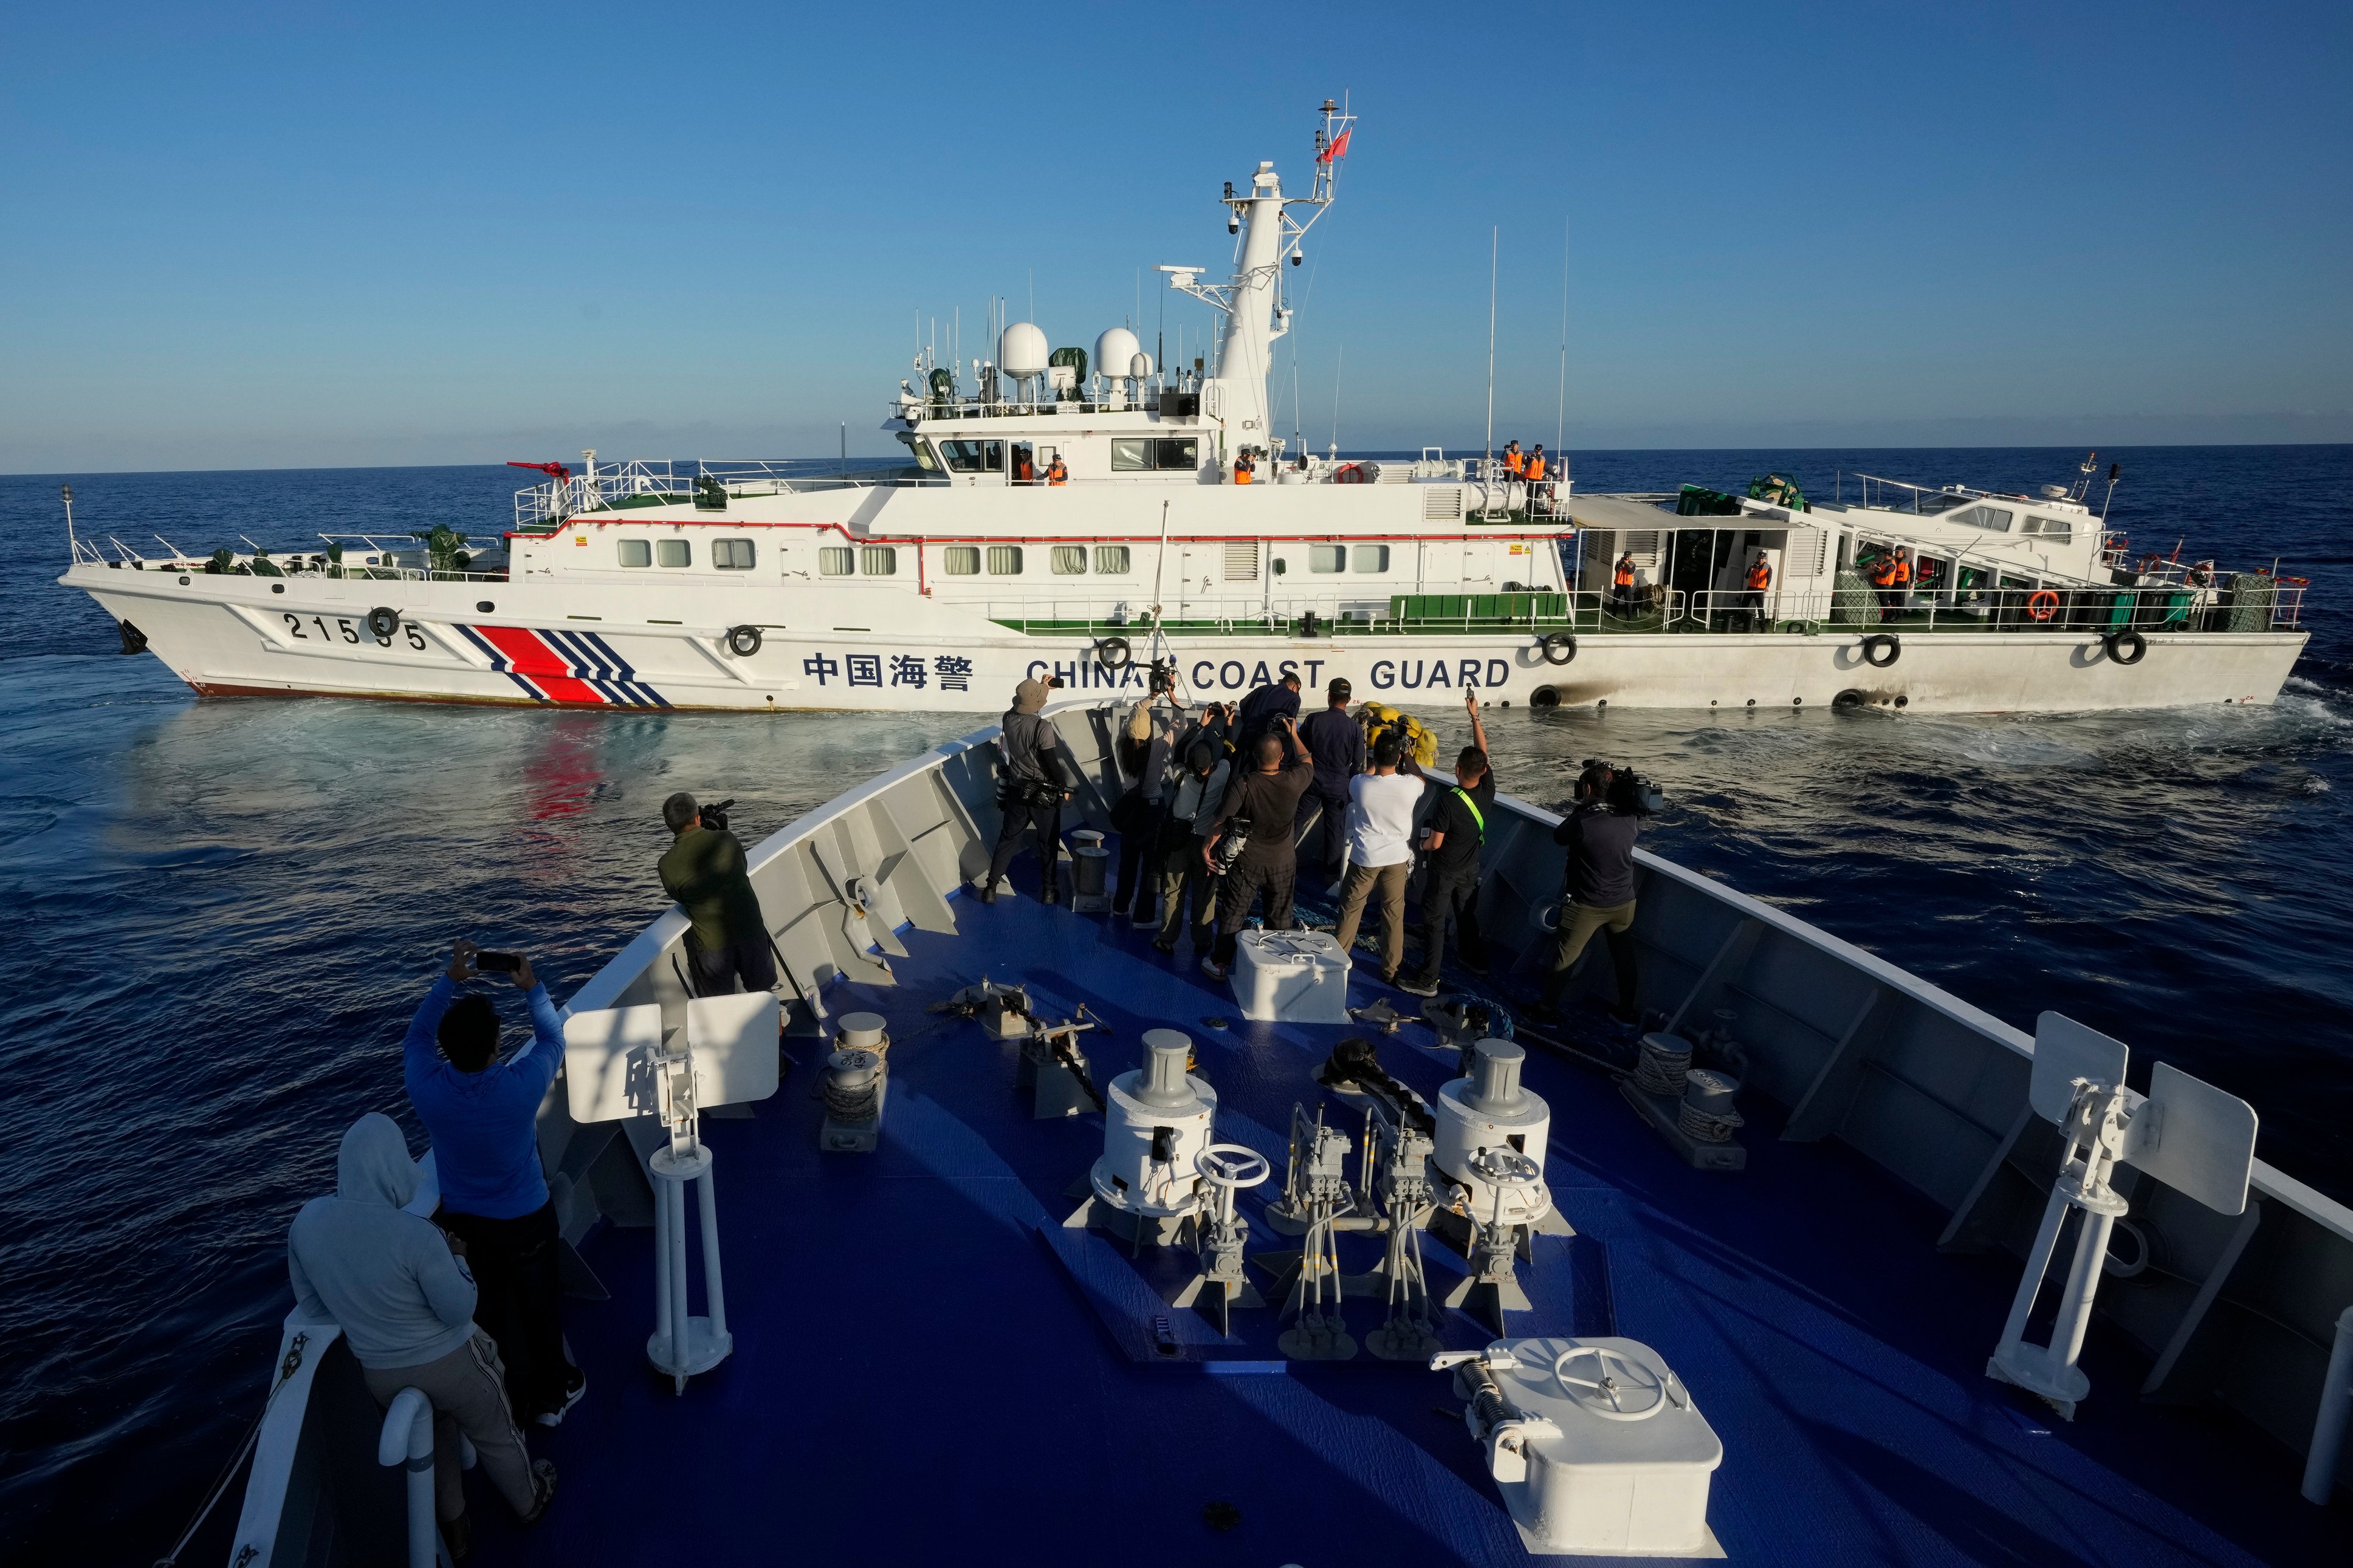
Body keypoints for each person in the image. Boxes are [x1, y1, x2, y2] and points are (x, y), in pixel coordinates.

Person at [290, 1113, 557, 1552]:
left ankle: (456, 1531)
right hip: (454, 1366)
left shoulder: (308, 1223)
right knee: (497, 1428)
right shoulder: (416, 1234)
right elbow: (459, 1308)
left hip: (382, 1376)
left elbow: (316, 1305)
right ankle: (529, 1500)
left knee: (434, 1436)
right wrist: (457, 1257)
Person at [405, 941, 586, 1429]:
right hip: (528, 1224)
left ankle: (510, 1401)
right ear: (494, 1046)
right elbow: (552, 1039)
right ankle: (552, 1399)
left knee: (491, 1319)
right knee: (541, 1308)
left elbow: (416, 1038)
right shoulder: (517, 1087)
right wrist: (532, 988)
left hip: (468, 1230)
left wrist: (449, 980)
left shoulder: (429, 1091)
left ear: (450, 1049)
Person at [1199, 717, 1314, 980]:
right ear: (1282, 756)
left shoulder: (1245, 784)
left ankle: (1220, 963)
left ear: (1254, 756)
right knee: (1280, 916)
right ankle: (1277, 966)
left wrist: (1207, 847)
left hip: (1247, 862)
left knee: (1234, 912)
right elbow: (1307, 760)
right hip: (1283, 862)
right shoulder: (1294, 779)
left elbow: (1220, 822)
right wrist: (1293, 733)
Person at [1530, 764, 1642, 1027]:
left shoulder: (1583, 823)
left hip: (1587, 905)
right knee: (1624, 958)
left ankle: (1547, 1010)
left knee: (1565, 957)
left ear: (1588, 789)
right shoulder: (1630, 817)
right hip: (1624, 902)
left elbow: (1560, 836)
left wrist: (1580, 808)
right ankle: (1626, 1012)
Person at [1399, 689, 1493, 998]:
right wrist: (1474, 716)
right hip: (1470, 868)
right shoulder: (1487, 789)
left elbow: (1435, 844)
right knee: (1466, 915)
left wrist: (1422, 847)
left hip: (1444, 872)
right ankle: (1474, 960)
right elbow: (1484, 752)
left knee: (1434, 922)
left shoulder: (1447, 802)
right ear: (1482, 771)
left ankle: (1428, 980)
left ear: (1456, 770)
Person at [1328, 733, 1423, 984]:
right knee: (1393, 915)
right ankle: (1391, 971)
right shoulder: (1411, 785)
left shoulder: (1360, 784)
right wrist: (1408, 755)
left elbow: (1370, 774)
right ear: (1399, 757)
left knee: (1351, 909)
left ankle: (1337, 962)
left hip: (1364, 859)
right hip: (1396, 859)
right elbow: (1420, 778)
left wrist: (1377, 757)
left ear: (1375, 756)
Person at [659, 793, 775, 995]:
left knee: (720, 1006)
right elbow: (741, 868)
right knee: (764, 999)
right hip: (751, 930)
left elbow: (679, 896)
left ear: (670, 825)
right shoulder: (727, 839)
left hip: (712, 946)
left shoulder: (666, 864)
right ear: (697, 818)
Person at [982, 677, 1067, 904]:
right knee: (1047, 843)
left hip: (1017, 791)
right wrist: (1065, 787)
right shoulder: (1043, 727)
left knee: (1007, 840)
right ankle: (1049, 891)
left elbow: (1021, 705)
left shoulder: (1008, 719)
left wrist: (1040, 689)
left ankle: (990, 888)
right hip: (1043, 795)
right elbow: (1052, 764)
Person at [1153, 735, 1230, 954]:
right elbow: (1228, 752)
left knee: (1174, 892)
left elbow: (1179, 750)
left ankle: (1166, 939)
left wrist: (1201, 726)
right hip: (1207, 844)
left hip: (1179, 841)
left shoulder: (1180, 776)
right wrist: (1228, 725)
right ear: (1211, 765)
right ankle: (1203, 940)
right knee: (1205, 894)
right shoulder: (1219, 779)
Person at [1112, 695, 1181, 923]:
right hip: (1153, 812)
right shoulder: (1157, 748)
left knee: (1127, 863)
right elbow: (1179, 723)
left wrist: (1147, 700)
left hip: (1131, 810)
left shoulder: (1121, 745)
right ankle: (1143, 917)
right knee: (1151, 867)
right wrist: (1171, 696)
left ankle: (1121, 906)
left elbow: (1132, 720)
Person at [1297, 677, 1365, 885]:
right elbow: (1359, 759)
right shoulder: (1354, 728)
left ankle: (1281, 862)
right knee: (1335, 832)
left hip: (1312, 782)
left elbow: (1301, 747)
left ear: (1329, 696)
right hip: (1338, 787)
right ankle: (1331, 878)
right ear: (1349, 700)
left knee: (1296, 822)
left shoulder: (1313, 719)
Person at [1235, 670, 1302, 756]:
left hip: (1244, 740)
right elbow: (1289, 725)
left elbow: (1243, 703)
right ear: (1295, 688)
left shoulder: (1261, 688)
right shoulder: (1294, 698)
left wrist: (1247, 721)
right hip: (1267, 748)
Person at [1742, 551, 1773, 631]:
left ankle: (1763, 626)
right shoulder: (1753, 565)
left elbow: (1769, 577)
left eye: (1763, 558)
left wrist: (1767, 586)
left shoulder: (1768, 567)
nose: (1761, 560)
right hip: (1751, 588)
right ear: (1757, 558)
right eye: (1760, 558)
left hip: (1760, 590)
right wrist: (1751, 570)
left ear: (1765, 559)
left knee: (1760, 607)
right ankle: (1745, 621)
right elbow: (1747, 577)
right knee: (1744, 604)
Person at [1612, 550, 1639, 617]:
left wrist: (1627, 564)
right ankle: (1614, 615)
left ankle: (1629, 616)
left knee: (1628, 601)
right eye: (1626, 557)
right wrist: (1621, 564)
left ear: (1631, 557)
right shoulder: (1619, 563)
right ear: (1624, 556)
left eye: (1628, 557)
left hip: (1627, 586)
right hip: (1619, 585)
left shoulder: (1632, 564)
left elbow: (1630, 572)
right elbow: (1617, 570)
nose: (1627, 558)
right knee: (1615, 600)